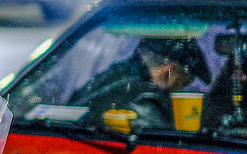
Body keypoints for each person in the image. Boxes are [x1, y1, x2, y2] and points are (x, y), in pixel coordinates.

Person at [70, 38, 210, 129]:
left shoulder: (107, 78)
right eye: (181, 83)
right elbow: (167, 148)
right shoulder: (147, 100)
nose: (178, 91)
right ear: (168, 72)